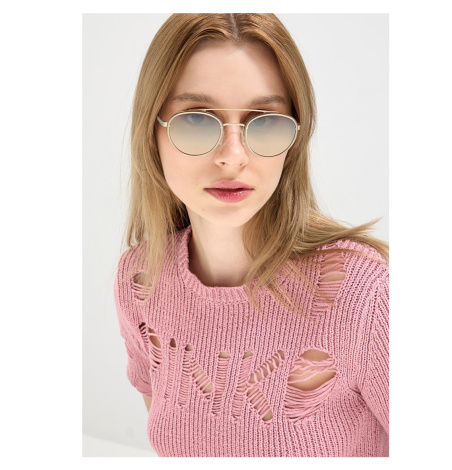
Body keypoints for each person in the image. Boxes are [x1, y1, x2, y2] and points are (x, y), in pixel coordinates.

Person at [114, 13, 389, 457]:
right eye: (197, 120)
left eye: (264, 120)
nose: (233, 156)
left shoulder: (367, 296)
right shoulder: (140, 281)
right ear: (152, 134)